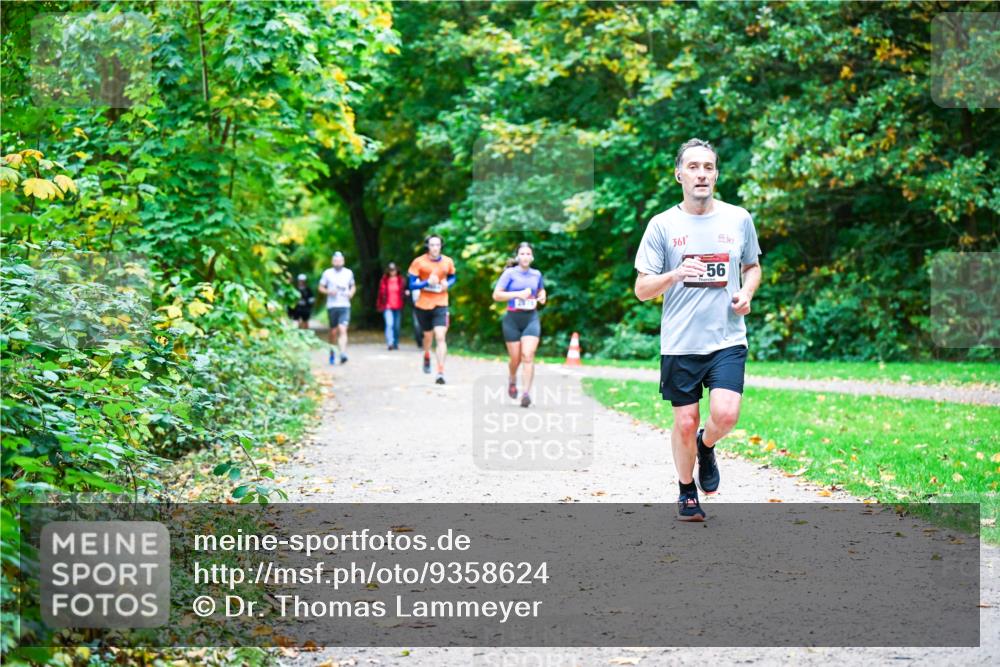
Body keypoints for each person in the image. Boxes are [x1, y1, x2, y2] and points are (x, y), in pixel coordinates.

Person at [633, 138, 762, 522]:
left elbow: (752, 267)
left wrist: (747, 293)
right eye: (693, 167)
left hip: (727, 338)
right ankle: (687, 489)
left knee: (726, 415)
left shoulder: (738, 218)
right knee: (685, 421)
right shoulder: (662, 225)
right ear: (679, 175)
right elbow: (642, 289)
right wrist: (674, 274)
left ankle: (707, 446)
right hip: (680, 342)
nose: (701, 174)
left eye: (708, 167)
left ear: (716, 174)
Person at [492, 242, 546, 408]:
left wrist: (542, 296)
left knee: (528, 355)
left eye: (528, 254)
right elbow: (496, 295)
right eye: (522, 254)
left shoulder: (536, 274)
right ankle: (512, 378)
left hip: (531, 318)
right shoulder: (509, 273)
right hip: (513, 320)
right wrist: (518, 294)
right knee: (515, 359)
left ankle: (526, 394)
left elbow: (540, 290)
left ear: (532, 257)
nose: (525, 257)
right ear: (517, 256)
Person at [407, 234, 456, 384]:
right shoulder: (419, 262)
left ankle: (440, 372)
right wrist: (426, 282)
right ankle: (427, 354)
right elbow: (411, 285)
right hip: (423, 304)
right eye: (432, 245)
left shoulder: (447, 261)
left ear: (441, 246)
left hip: (441, 303)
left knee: (440, 336)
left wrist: (448, 284)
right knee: (427, 336)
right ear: (428, 246)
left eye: (437, 245)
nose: (435, 248)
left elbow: (453, 277)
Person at [318, 251, 356, 365]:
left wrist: (351, 293)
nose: (338, 263)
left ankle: (343, 353)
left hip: (344, 305)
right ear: (332, 261)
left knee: (342, 329)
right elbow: (320, 287)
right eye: (335, 261)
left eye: (339, 261)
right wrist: (329, 291)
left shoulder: (348, 273)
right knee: (333, 332)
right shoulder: (327, 273)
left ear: (343, 261)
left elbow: (353, 286)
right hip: (332, 306)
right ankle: (332, 352)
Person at [377, 262, 407, 351]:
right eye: (390, 270)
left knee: (396, 326)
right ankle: (390, 343)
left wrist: (406, 294)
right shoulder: (384, 280)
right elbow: (380, 294)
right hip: (387, 306)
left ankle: (395, 343)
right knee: (389, 324)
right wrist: (379, 304)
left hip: (398, 306)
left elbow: (405, 291)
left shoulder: (401, 280)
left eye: (393, 270)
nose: (392, 272)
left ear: (397, 270)